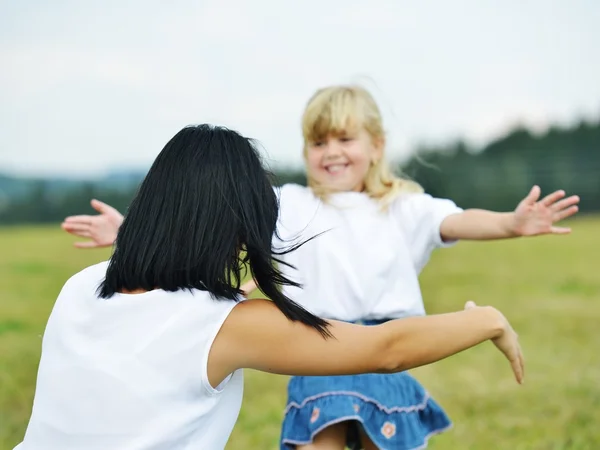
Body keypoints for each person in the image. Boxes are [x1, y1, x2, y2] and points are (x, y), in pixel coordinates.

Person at [60, 87, 577, 450]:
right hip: (314, 341)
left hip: (388, 335)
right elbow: (209, 218)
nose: (331, 152)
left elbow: (460, 222)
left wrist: (511, 222)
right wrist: (133, 232)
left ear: (377, 146)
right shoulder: (291, 202)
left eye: (345, 139)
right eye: (318, 142)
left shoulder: (403, 206)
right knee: (317, 438)